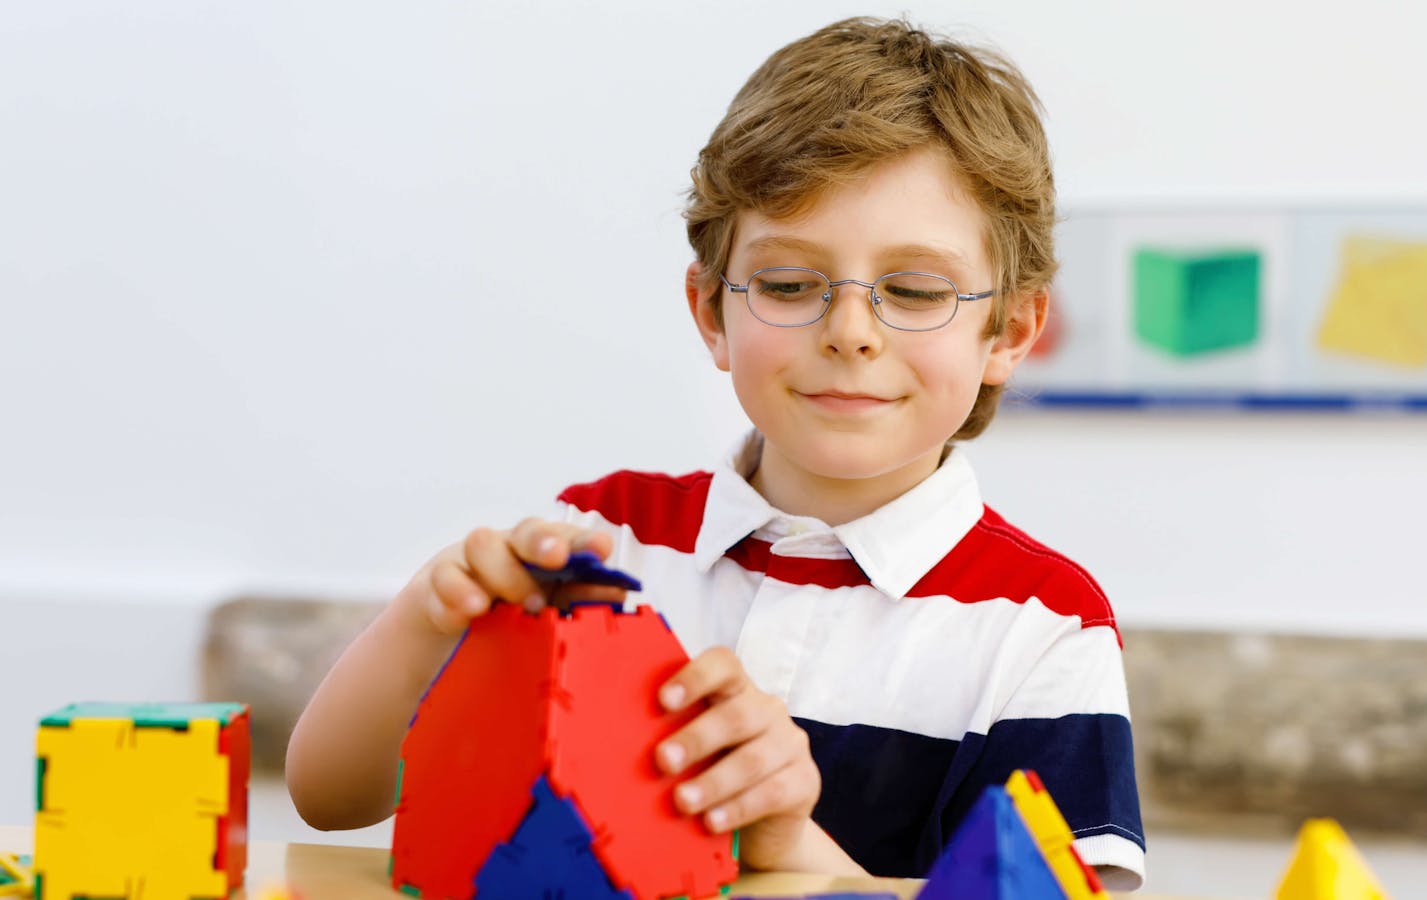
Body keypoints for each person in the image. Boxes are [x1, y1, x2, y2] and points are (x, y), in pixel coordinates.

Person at [286, 16, 1145, 890]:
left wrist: (791, 848)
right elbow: (329, 797)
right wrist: (428, 622)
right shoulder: (605, 537)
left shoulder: (1044, 627)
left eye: (914, 290)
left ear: (1011, 331)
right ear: (711, 312)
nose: (849, 332)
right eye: (787, 284)